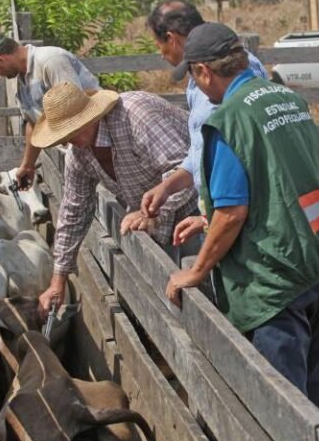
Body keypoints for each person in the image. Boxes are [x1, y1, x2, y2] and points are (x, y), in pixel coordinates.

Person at [163, 23, 319, 411]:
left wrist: (197, 270)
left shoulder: (228, 119)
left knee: (284, 409)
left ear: (204, 71)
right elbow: (281, 179)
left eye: (194, 77)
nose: (197, 89)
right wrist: (209, 219)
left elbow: (233, 212)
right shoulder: (284, 98)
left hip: (281, 275)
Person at [30, 82, 197, 317]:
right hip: (156, 223)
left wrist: (151, 213)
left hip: (198, 209)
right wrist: (59, 279)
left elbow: (185, 170)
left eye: (71, 131)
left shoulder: (136, 116)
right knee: (173, 299)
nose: (68, 141)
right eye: (63, 136)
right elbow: (73, 211)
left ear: (90, 117)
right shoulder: (78, 155)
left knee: (204, 296)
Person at [132, 1, 267, 238]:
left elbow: (240, 157)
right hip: (222, 211)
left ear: (172, 38)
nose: (162, 56)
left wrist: (209, 220)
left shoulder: (225, 77)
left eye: (160, 46)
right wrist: (167, 187)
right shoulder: (200, 77)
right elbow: (202, 152)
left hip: (239, 216)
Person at [0, 33, 99, 187]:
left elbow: (75, 109)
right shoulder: (23, 80)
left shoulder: (50, 61)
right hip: (76, 153)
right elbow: (34, 124)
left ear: (0, 60)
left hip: (96, 143)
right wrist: (28, 165)